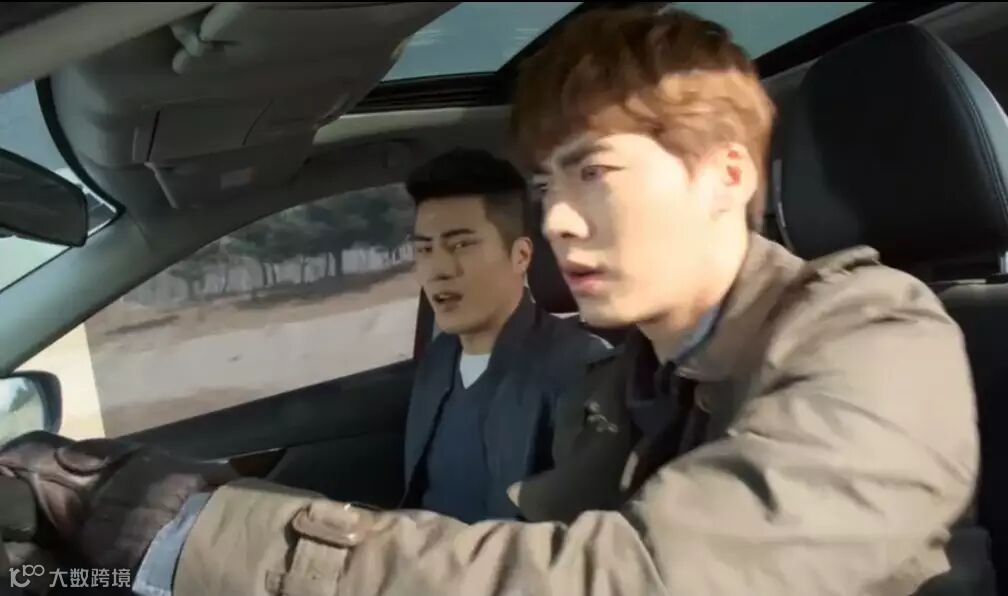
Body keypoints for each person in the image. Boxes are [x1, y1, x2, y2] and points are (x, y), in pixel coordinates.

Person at [0, 7, 988, 595]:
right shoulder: (633, 381)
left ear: (725, 174)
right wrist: (196, 498)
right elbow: (515, 549)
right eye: (549, 184)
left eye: (594, 173)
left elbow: (637, 580)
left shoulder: (881, 337)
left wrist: (192, 529)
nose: (558, 220)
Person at [398, 148, 610, 523]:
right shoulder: (439, 359)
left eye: (461, 244)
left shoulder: (581, 370)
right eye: (425, 249)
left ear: (521, 256)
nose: (438, 268)